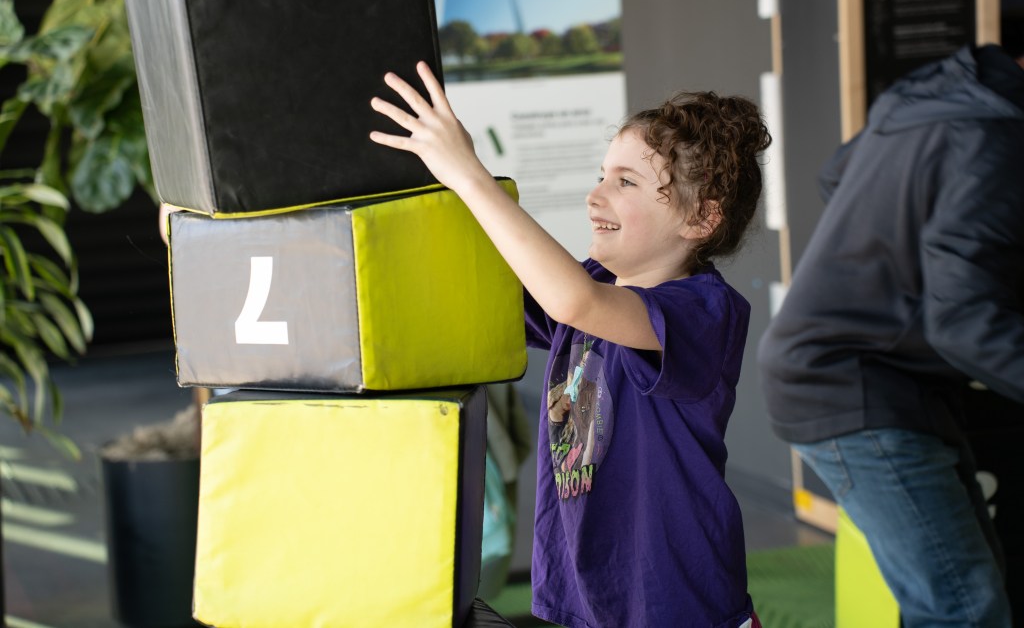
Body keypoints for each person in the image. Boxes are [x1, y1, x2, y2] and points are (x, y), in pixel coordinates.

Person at [370, 62, 769, 628]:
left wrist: (471, 175)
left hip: (679, 606)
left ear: (701, 218)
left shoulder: (703, 313)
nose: (595, 195)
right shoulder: (593, 288)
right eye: (602, 174)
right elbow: (502, 290)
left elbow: (572, 302)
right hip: (589, 597)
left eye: (625, 182)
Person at [758, 38, 1024, 627]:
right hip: (852, 384)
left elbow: (837, 175)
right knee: (963, 607)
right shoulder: (999, 137)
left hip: (866, 374)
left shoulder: (933, 95)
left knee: (964, 590)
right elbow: (963, 321)